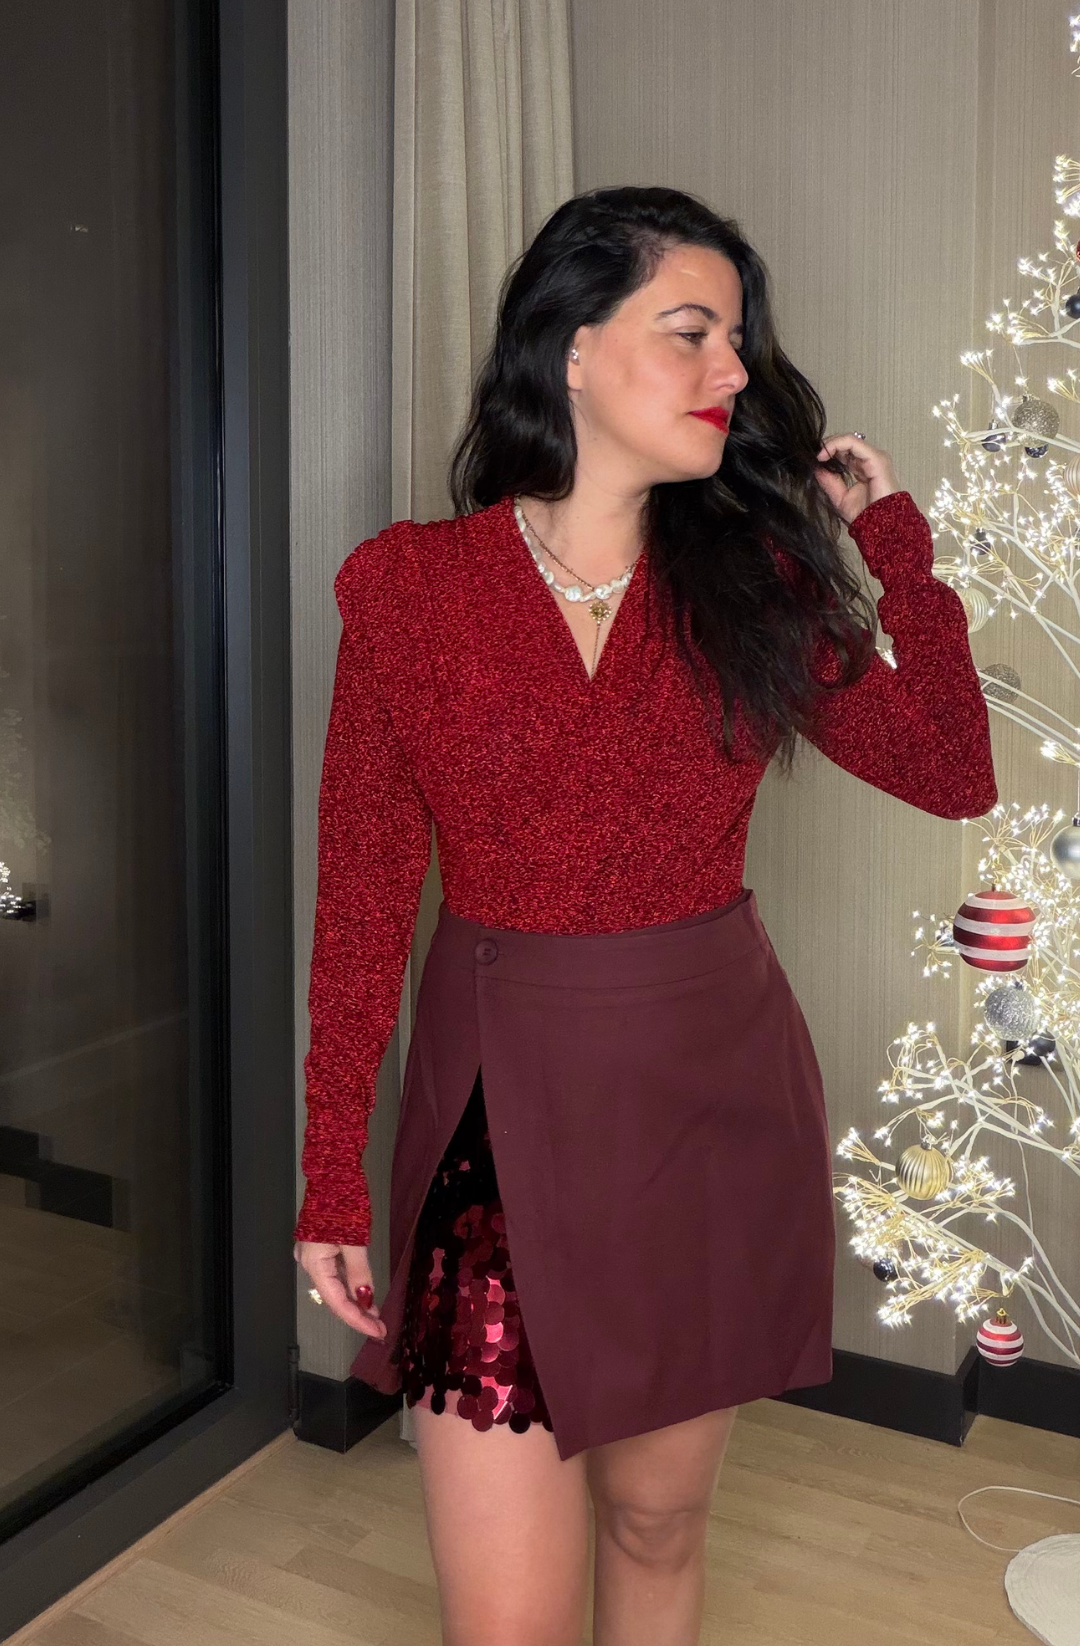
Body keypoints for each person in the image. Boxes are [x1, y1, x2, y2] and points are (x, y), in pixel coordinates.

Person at [294, 186, 997, 1646]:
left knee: (659, 1527)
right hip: (495, 1135)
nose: (731, 369)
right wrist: (329, 1182)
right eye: (692, 332)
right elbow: (361, 899)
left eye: (737, 341)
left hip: (707, 1112)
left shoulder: (756, 585)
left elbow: (951, 771)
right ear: (572, 346)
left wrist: (896, 549)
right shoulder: (410, 589)